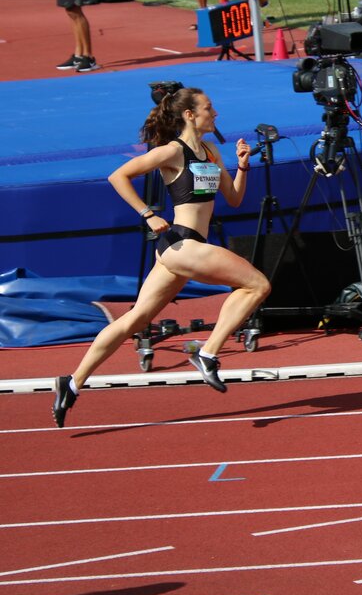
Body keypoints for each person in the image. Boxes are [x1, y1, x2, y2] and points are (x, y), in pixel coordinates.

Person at [52, 87, 271, 428]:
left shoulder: (211, 151)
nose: (215, 113)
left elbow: (234, 198)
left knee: (136, 320)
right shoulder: (172, 151)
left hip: (184, 248)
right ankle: (207, 353)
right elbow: (118, 176)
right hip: (181, 243)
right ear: (189, 115)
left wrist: (243, 166)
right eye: (209, 108)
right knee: (257, 285)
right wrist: (148, 214)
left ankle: (72, 382)